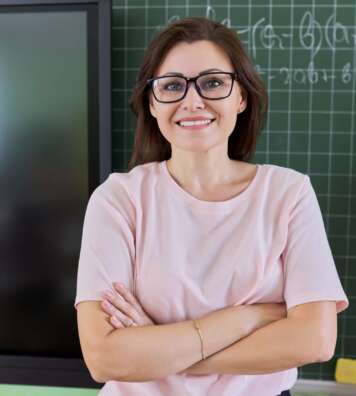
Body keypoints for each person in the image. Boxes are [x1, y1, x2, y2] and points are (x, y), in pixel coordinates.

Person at [74, 17, 349, 396]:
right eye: (172, 86)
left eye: (213, 82)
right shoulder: (118, 200)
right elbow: (104, 358)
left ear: (241, 97)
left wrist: (157, 347)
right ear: (152, 104)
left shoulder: (289, 194)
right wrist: (249, 318)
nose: (192, 101)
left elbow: (314, 340)